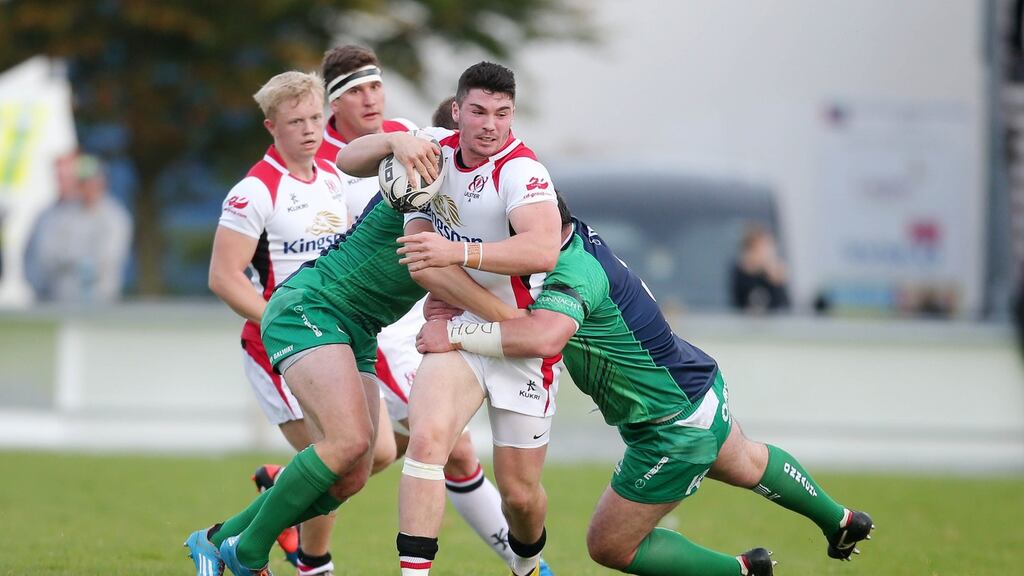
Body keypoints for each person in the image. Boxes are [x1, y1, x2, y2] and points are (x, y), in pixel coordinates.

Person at [416, 194, 875, 576]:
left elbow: (541, 336)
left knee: (608, 544)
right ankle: (842, 520)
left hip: (671, 427)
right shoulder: (575, 237)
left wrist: (453, 332)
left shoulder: (572, 270)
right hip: (696, 388)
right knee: (749, 462)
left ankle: (741, 571)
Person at [247, 46, 533, 574]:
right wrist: (513, 323)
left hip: (373, 319)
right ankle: (260, 552)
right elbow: (423, 257)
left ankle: (257, 523)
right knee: (413, 447)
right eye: (354, 90)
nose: (370, 97)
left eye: (374, 85)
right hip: (323, 308)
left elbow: (458, 260)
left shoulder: (432, 149)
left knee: (363, 462)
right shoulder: (405, 152)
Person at [337, 61, 563, 576]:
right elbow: (350, 160)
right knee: (427, 440)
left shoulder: (522, 172)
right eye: (479, 111)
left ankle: (527, 564)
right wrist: (394, 143)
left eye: (503, 114)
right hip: (454, 333)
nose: (490, 125)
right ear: (457, 111)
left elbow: (542, 249)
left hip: (519, 342)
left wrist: (457, 255)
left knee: (521, 497)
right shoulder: (433, 148)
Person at [204, 69, 351, 576]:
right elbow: (224, 278)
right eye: (296, 121)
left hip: (329, 338)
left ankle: (232, 537)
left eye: (315, 118)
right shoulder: (255, 190)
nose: (310, 129)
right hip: (277, 346)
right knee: (334, 458)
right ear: (272, 126)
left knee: (346, 461)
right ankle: (299, 559)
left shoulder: (334, 175)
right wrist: (285, 318)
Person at [23, 152, 132, 303]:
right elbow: (47, 256)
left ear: (102, 182)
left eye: (92, 181)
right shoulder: (63, 214)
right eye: (83, 182)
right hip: (58, 300)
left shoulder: (115, 217)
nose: (88, 187)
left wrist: (71, 264)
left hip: (101, 301)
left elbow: (106, 260)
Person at [730, 224, 789, 313]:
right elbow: (738, 304)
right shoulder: (739, 274)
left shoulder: (771, 274)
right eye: (762, 249)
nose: (766, 254)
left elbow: (784, 307)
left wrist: (776, 281)